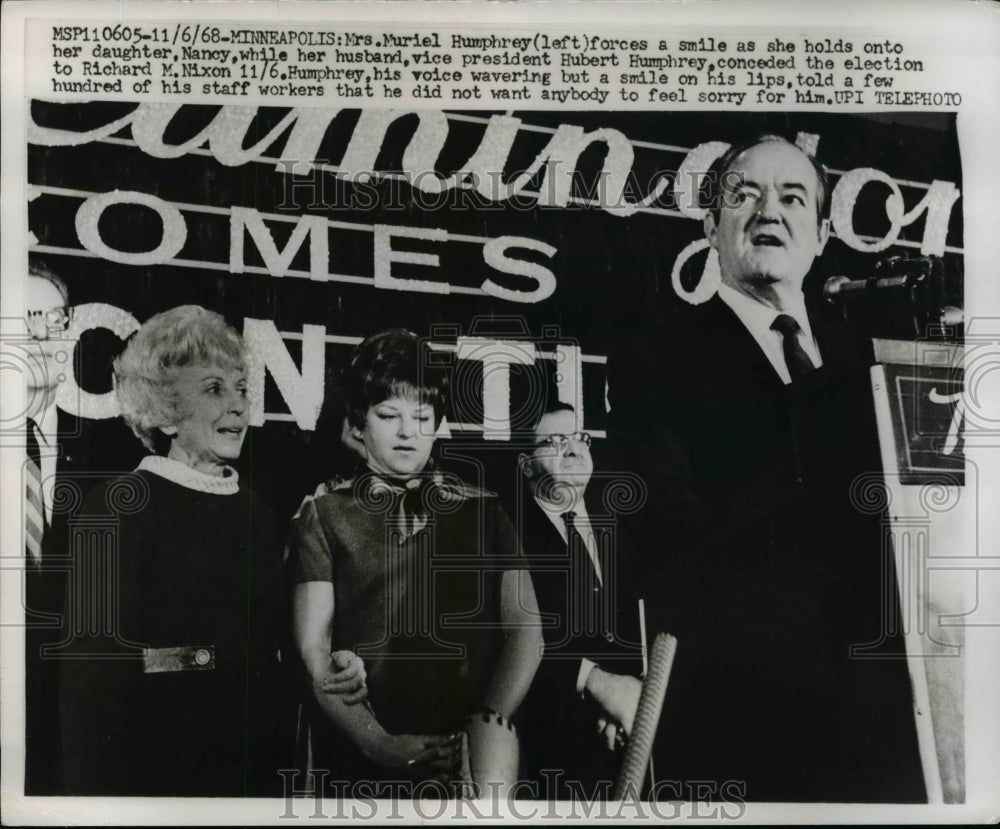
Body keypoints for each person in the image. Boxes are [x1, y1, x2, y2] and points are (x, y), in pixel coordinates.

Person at [608, 135, 927, 802]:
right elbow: (656, 522)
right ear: (710, 227)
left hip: (894, 710)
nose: (768, 211)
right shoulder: (657, 354)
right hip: (745, 716)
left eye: (791, 198)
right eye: (743, 195)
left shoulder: (871, 361)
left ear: (821, 232)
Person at [57, 305, 366, 796]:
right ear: (165, 411)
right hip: (155, 772)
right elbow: (88, 688)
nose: (240, 407)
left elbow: (285, 643)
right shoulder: (117, 504)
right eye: (214, 389)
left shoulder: (255, 511)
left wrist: (339, 662)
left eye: (242, 389)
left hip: (253, 771)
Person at [288, 329, 543, 795]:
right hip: (362, 767)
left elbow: (526, 632)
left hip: (480, 772)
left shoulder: (485, 508)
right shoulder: (321, 514)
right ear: (358, 424)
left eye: (422, 416)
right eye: (388, 415)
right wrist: (379, 744)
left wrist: (486, 729)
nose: (408, 431)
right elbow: (313, 652)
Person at [515, 402, 644, 799]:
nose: (573, 449)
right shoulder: (504, 538)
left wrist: (637, 690)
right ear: (526, 465)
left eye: (579, 438)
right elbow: (509, 641)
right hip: (551, 755)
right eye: (555, 441)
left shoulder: (628, 522)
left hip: (637, 731)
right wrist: (599, 683)